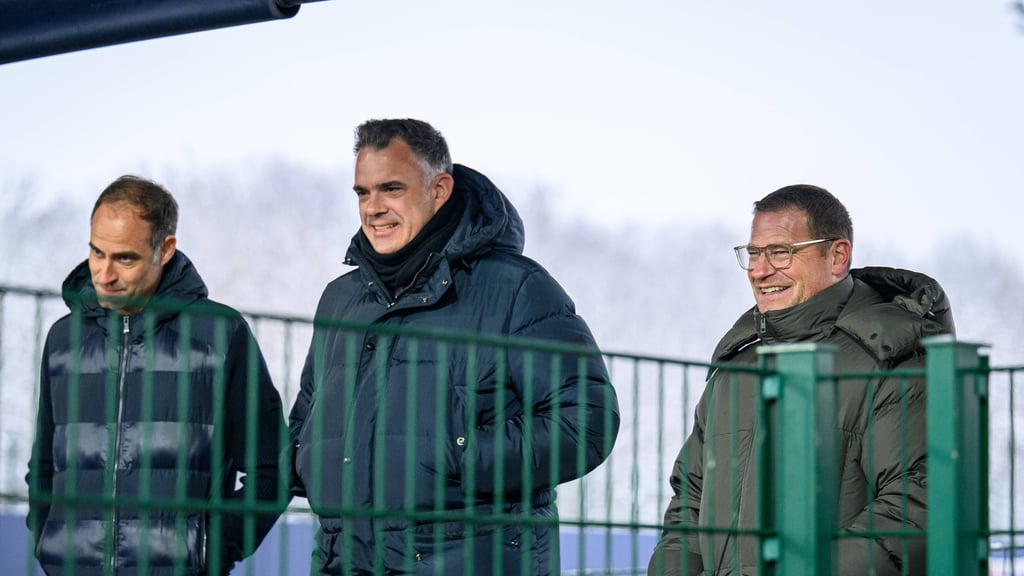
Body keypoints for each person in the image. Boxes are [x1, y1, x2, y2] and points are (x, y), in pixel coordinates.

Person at [288, 118, 620, 575]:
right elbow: (308, 412)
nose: (374, 208)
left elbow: (587, 421)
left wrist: (458, 454)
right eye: (363, 193)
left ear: (439, 189)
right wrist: (304, 460)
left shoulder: (515, 289)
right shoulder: (342, 299)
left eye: (392, 189)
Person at [648, 185, 955, 575]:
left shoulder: (893, 357)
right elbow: (689, 502)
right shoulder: (736, 366)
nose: (760, 270)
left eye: (781, 252)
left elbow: (916, 503)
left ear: (837, 256)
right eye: (754, 254)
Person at [26, 175, 288, 575]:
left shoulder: (220, 334)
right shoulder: (64, 338)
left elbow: (274, 468)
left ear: (164, 250)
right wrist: (49, 542)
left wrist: (212, 548)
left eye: (124, 258)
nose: (104, 274)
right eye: (97, 253)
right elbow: (45, 463)